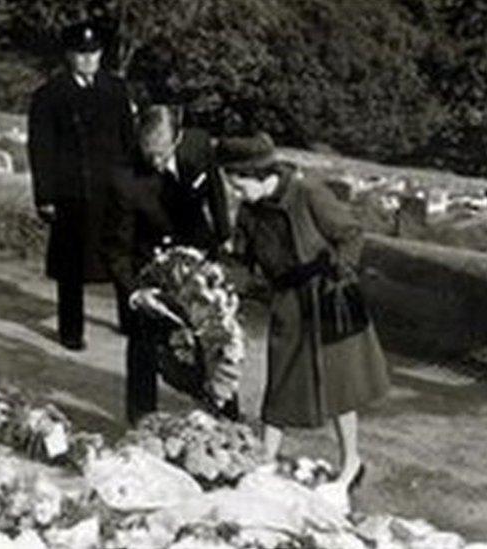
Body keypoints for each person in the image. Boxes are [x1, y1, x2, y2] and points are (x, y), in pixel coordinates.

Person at [227, 152, 391, 510]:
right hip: (288, 300)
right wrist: (222, 294)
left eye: (239, 184)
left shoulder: (308, 193)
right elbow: (241, 261)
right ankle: (264, 462)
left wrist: (340, 274)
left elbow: (351, 234)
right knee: (281, 378)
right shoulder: (250, 210)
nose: (236, 193)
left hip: (328, 298)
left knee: (340, 385)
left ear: (258, 174)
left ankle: (351, 465)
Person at [100, 104, 274, 425]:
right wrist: (135, 292)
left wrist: (223, 234)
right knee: (144, 342)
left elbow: (214, 190)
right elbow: (115, 248)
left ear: (178, 140)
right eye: (148, 153)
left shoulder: (198, 145)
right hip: (148, 260)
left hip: (198, 251)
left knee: (215, 334)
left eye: (162, 154)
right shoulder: (122, 179)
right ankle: (141, 418)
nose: (155, 162)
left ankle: (225, 414)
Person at [27, 21, 136, 349]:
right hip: (72, 192)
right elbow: (41, 149)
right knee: (71, 265)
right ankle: (71, 331)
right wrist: (45, 196)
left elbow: (127, 139)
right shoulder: (50, 95)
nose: (89, 60)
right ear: (68, 56)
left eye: (94, 53)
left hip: (112, 189)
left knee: (123, 257)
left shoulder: (115, 89)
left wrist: (135, 182)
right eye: (81, 54)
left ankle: (130, 319)